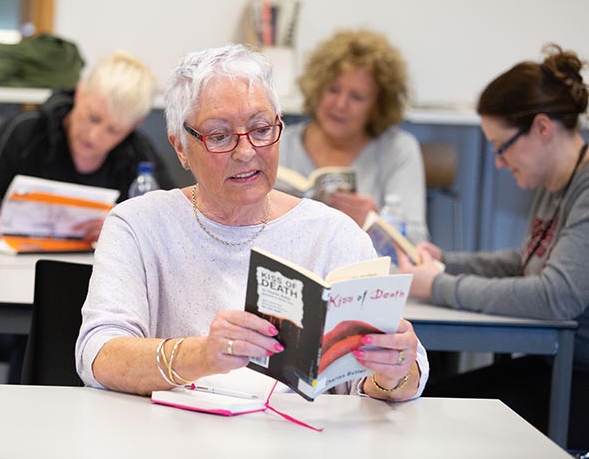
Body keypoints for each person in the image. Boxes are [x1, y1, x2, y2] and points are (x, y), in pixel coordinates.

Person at [76, 44, 428, 401]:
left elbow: (390, 377)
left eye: (261, 129)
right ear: (181, 147)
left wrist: (394, 374)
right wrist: (200, 355)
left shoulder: (333, 234)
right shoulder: (138, 224)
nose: (246, 152)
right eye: (219, 136)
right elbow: (98, 355)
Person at [0, 51, 175, 382]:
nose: (95, 136)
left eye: (112, 130)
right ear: (79, 93)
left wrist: (122, 228)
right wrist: (18, 228)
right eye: (92, 118)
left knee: (77, 334)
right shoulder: (24, 134)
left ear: (132, 127)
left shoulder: (136, 155)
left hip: (87, 298)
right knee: (45, 336)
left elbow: (170, 226)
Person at [398, 44, 589, 450]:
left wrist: (438, 286)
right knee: (424, 403)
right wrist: (445, 261)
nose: (499, 163)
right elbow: (525, 263)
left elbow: (556, 295)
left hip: (578, 382)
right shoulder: (557, 180)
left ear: (542, 128)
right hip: (556, 368)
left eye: (502, 146)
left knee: (429, 418)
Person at [279, 28, 429, 243]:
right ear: (317, 88)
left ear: (377, 106)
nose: (340, 105)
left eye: (357, 97)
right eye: (333, 89)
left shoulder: (398, 149)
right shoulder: (281, 142)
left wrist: (375, 224)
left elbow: (417, 242)